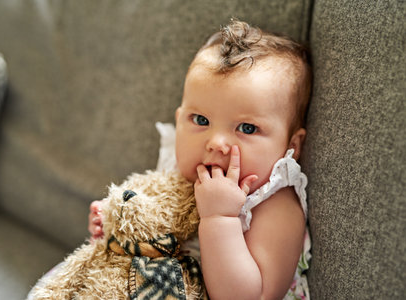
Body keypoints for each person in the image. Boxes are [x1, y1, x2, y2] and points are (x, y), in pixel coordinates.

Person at [89, 19, 312, 299]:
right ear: (179, 119)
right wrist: (114, 226)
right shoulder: (178, 172)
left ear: (291, 145)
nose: (216, 143)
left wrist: (220, 217)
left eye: (246, 128)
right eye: (201, 120)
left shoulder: (274, 204)